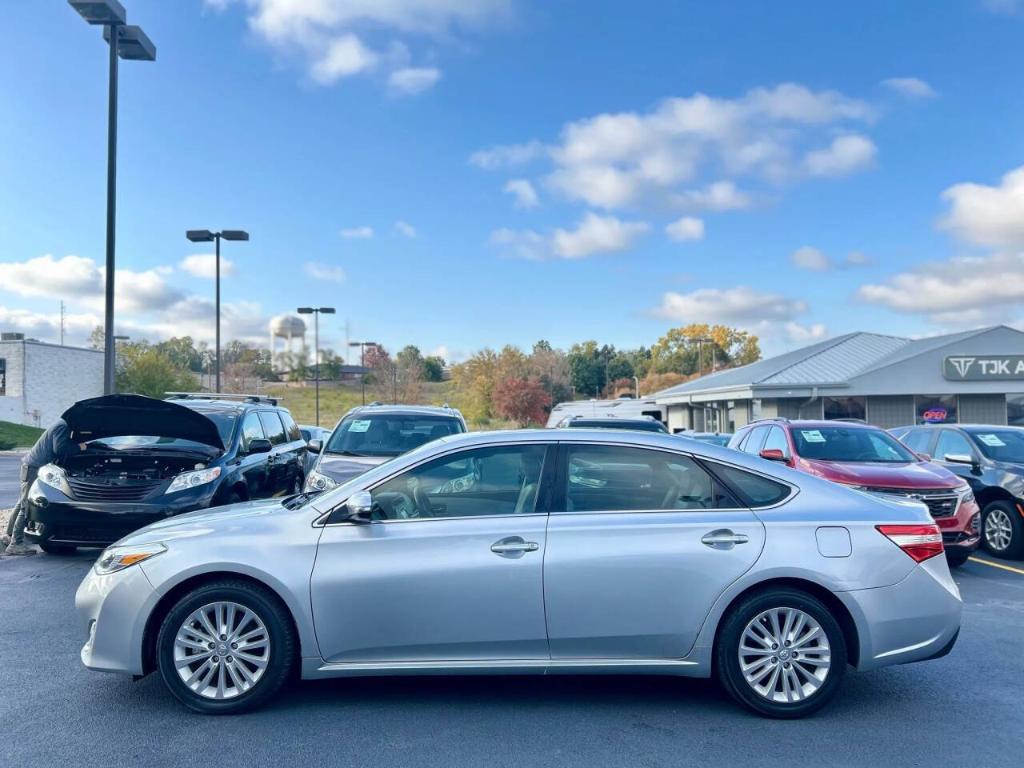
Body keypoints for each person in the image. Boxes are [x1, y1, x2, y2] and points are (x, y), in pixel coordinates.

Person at [2, 418, 85, 556]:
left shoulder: (59, 424)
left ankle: (10, 536)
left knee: (21, 503)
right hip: (34, 468)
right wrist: (80, 447)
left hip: (30, 466)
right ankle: (15, 544)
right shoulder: (62, 427)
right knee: (26, 506)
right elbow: (60, 449)